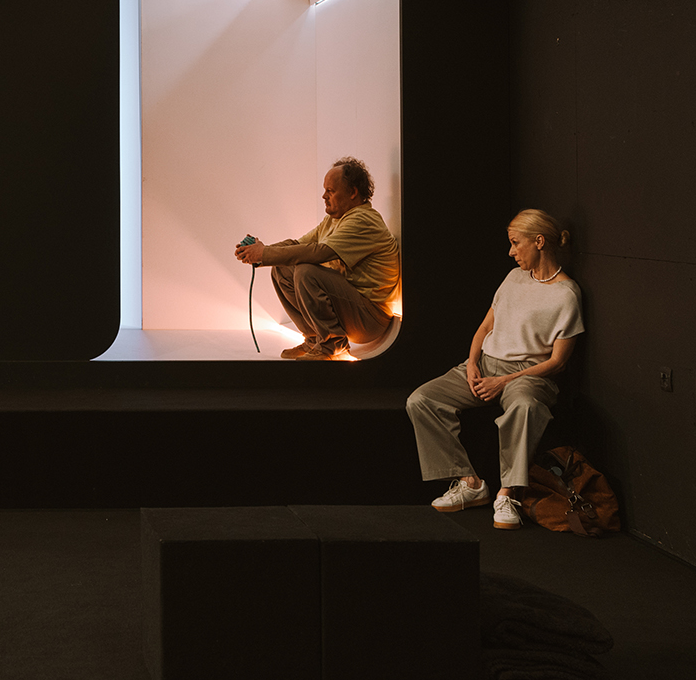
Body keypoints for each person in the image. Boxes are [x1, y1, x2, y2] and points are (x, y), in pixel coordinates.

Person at [404, 209, 582, 529]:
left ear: (539, 242)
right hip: (486, 364)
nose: (511, 252)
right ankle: (470, 483)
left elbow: (558, 362)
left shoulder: (566, 294)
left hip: (529, 374)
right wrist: (473, 363)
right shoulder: (513, 278)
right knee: (422, 400)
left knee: (525, 407)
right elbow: (486, 327)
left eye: (515, 243)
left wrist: (504, 382)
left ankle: (507, 493)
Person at [233, 157, 401, 361]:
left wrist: (263, 254)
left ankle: (333, 345)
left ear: (353, 192)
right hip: (354, 308)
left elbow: (319, 252)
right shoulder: (334, 219)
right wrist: (261, 251)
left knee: (306, 271)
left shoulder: (363, 220)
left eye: (330, 191)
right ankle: (315, 340)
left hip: (371, 319)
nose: (324, 196)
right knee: (282, 269)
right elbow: (298, 244)